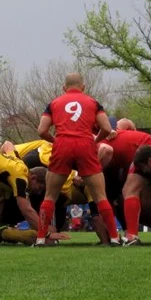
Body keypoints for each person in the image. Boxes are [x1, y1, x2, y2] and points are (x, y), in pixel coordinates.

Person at [34, 72, 121, 246]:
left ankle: (41, 238)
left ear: (63, 88)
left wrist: (56, 141)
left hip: (62, 145)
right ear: (83, 87)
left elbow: (41, 130)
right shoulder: (93, 102)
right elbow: (105, 127)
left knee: (50, 195)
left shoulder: (53, 104)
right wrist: (94, 141)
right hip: (85, 144)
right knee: (100, 195)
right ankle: (114, 237)